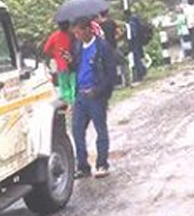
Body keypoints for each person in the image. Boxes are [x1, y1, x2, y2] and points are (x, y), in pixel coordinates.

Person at [69, 16, 118, 178]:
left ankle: (102, 163)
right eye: (75, 33)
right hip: (81, 95)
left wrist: (98, 91)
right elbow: (78, 67)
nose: (77, 36)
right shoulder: (78, 47)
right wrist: (70, 62)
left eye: (78, 32)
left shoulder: (102, 47)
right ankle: (82, 166)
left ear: (88, 30)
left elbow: (111, 74)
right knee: (77, 130)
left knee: (100, 129)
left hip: (96, 95)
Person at [99, 11, 129, 87]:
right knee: (124, 62)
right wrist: (115, 38)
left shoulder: (99, 25)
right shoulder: (111, 22)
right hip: (113, 46)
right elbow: (119, 32)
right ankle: (126, 81)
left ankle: (112, 84)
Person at [43, 21, 73, 87]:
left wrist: (54, 53)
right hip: (73, 64)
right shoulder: (72, 35)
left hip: (61, 66)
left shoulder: (54, 36)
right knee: (73, 84)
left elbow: (46, 49)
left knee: (65, 86)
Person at [126, 11, 148, 82]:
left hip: (134, 43)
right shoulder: (136, 20)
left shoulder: (131, 23)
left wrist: (130, 43)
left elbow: (132, 34)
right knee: (140, 57)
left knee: (136, 58)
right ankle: (143, 71)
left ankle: (140, 74)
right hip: (139, 42)